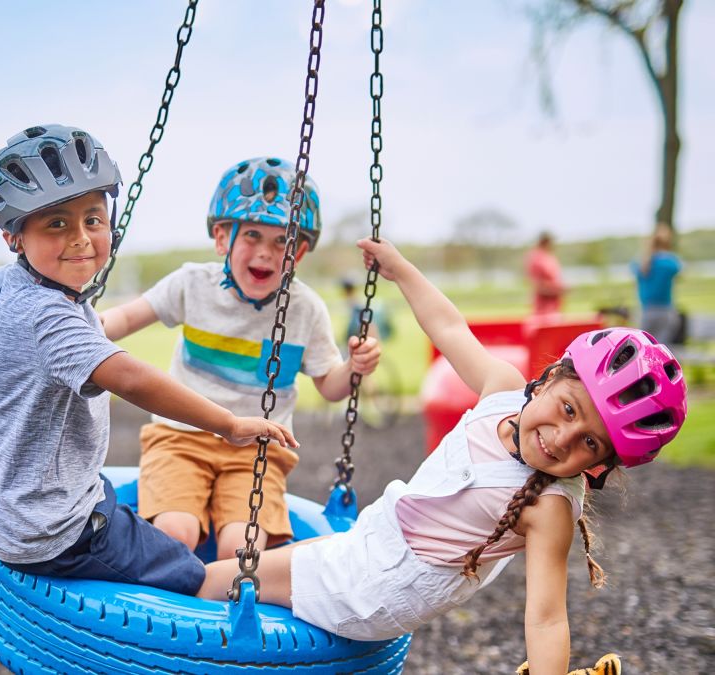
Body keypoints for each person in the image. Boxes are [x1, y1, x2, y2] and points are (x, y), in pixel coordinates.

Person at [199, 237, 688, 674]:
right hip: (369, 549)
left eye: (589, 444)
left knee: (212, 582)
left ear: (600, 465)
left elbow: (546, 617)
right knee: (247, 569)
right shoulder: (501, 390)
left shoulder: (549, 507)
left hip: (370, 590)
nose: (563, 438)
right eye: (567, 409)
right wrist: (401, 269)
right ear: (554, 376)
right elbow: (450, 327)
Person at [0, 125, 298, 597]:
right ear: (13, 237)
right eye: (57, 224)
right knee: (196, 576)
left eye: (93, 220)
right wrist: (228, 424)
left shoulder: (11, 287)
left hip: (5, 509)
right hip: (58, 533)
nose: (81, 239)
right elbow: (131, 378)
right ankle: (305, 583)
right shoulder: (50, 321)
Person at [100, 157, 381, 560]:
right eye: (252, 235)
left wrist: (354, 369)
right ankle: (173, 608)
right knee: (174, 532)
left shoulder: (305, 310)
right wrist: (83, 328)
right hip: (181, 437)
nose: (266, 253)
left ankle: (226, 613)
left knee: (240, 547)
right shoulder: (191, 285)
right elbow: (127, 316)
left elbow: (330, 387)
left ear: (299, 252)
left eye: (282, 241)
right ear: (221, 238)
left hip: (257, 450)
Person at [632, 223, 683, 345]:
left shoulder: (643, 262)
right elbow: (679, 269)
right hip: (666, 311)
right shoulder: (670, 262)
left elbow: (635, 271)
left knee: (644, 348)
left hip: (646, 311)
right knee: (662, 349)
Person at [525, 231, 565, 315]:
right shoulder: (536, 258)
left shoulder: (550, 257)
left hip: (555, 306)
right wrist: (557, 290)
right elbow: (538, 285)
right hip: (543, 309)